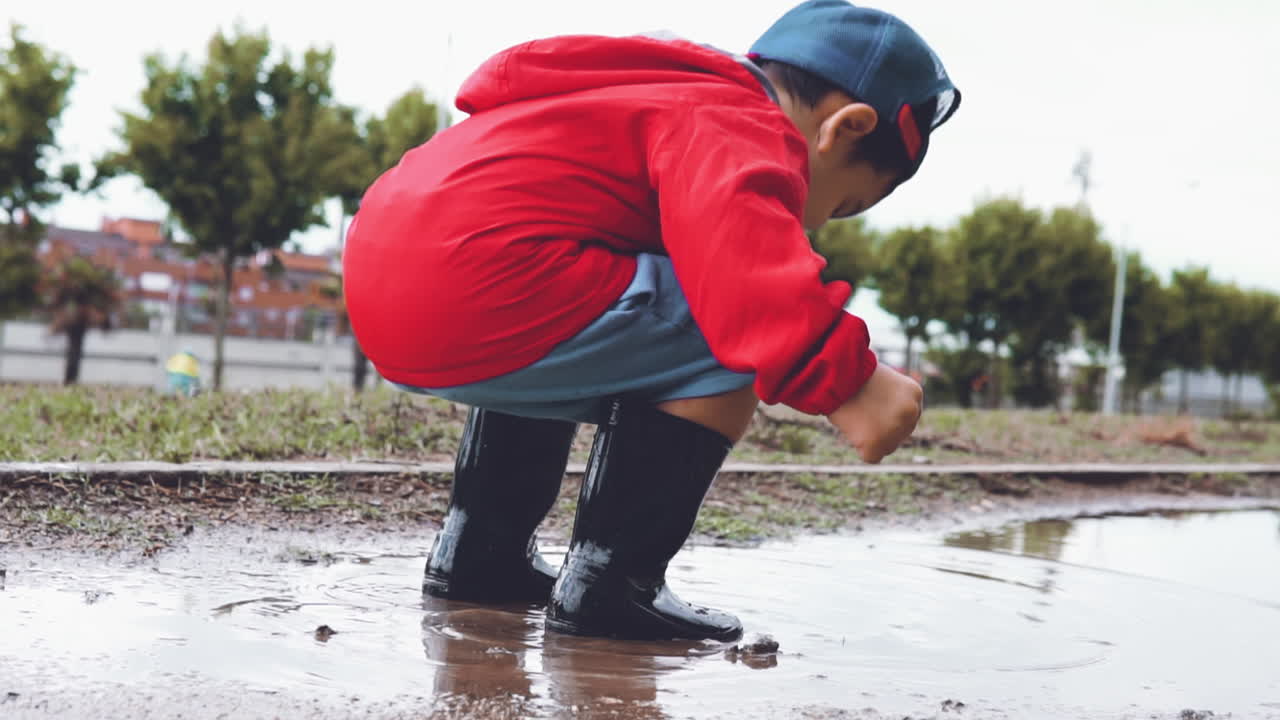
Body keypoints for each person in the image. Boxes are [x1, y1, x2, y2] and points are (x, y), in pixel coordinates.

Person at [343, 0, 960, 642]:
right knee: (725, 334)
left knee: (597, 295)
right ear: (845, 128)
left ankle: (480, 556)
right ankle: (612, 585)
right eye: (840, 203)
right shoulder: (738, 122)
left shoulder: (642, 94)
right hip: (489, 284)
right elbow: (747, 281)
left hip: (386, 277)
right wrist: (852, 384)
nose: (808, 222)